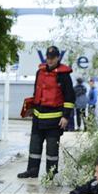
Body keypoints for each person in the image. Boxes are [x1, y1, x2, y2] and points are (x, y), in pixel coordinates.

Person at [18, 45, 75, 179]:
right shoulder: (40, 72)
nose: (50, 60)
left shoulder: (64, 75)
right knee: (34, 147)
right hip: (38, 117)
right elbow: (37, 91)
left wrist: (65, 117)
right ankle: (32, 171)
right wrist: (31, 108)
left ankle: (51, 174)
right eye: (48, 57)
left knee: (51, 150)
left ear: (58, 57)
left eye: (53, 58)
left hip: (54, 120)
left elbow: (70, 97)